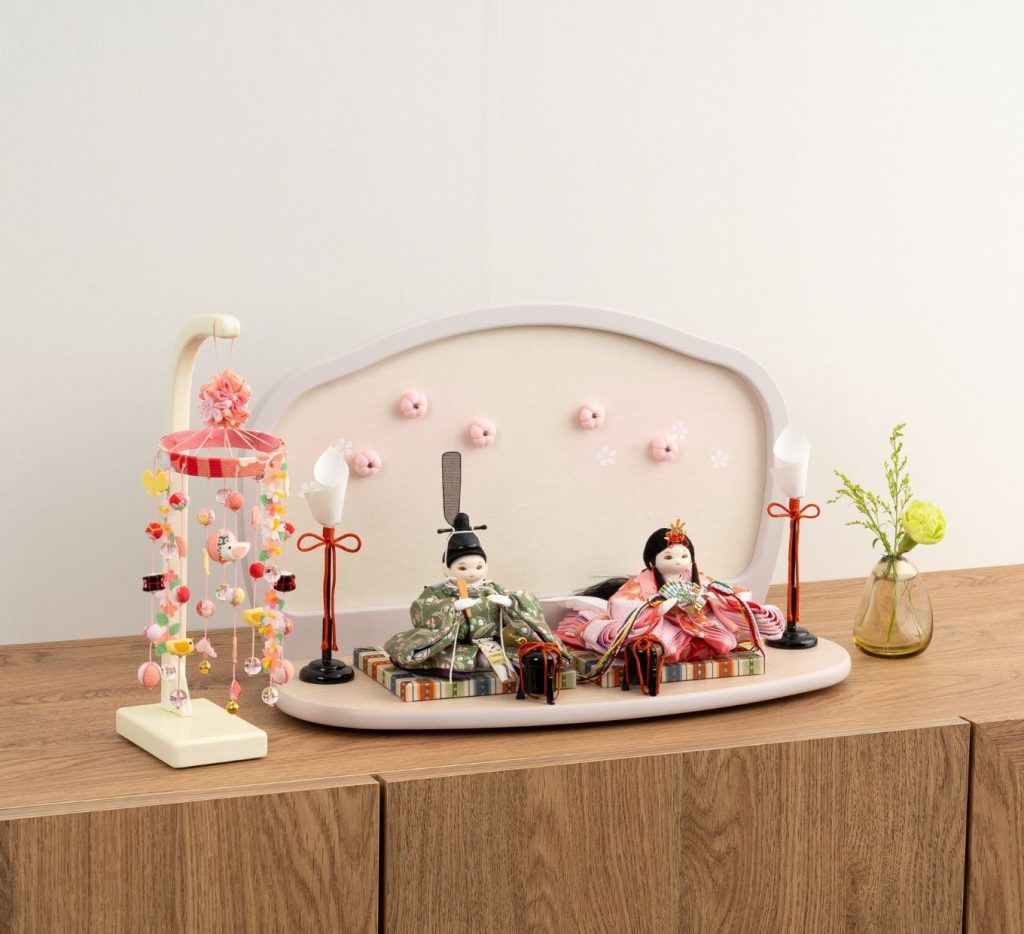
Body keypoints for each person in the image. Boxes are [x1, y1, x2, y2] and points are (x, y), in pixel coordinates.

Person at [557, 519, 782, 664]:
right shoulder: (641, 581)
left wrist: (713, 599)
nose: (678, 562)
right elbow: (621, 603)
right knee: (658, 645)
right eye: (668, 557)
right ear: (652, 561)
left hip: (699, 623)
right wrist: (660, 608)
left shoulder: (697, 576)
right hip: (662, 623)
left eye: (684, 556)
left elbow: (729, 593)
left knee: (727, 636)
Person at [385, 512, 566, 676]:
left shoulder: (492, 588)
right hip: (456, 645)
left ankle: (488, 661)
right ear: (446, 569)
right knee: (434, 655)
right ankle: (477, 661)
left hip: (495, 642)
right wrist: (451, 606)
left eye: (479, 567)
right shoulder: (438, 591)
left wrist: (511, 603)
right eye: (462, 568)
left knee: (532, 653)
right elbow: (420, 609)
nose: (472, 573)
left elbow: (528, 604)